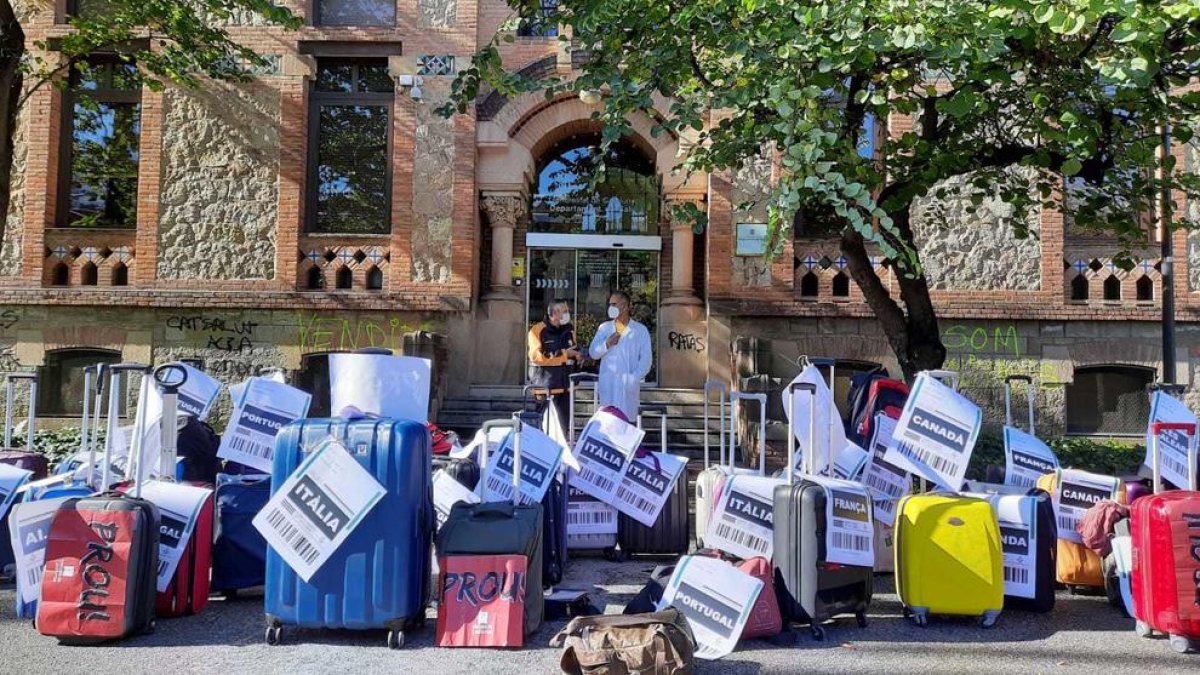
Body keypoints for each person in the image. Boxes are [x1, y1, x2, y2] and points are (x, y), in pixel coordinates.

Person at [589, 290, 653, 420]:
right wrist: (606, 344)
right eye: (610, 304)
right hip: (608, 384)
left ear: (625, 306)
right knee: (608, 423)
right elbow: (593, 353)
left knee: (627, 424)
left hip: (628, 386)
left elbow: (646, 360)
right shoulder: (604, 328)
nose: (610, 308)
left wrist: (633, 378)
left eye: (614, 304)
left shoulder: (640, 330)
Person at [528, 299, 582, 433]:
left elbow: (572, 353)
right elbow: (537, 357)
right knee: (543, 430)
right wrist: (565, 354)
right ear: (553, 313)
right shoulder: (538, 331)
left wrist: (578, 358)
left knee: (562, 431)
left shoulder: (569, 331)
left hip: (565, 388)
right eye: (564, 311)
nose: (567, 314)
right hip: (545, 388)